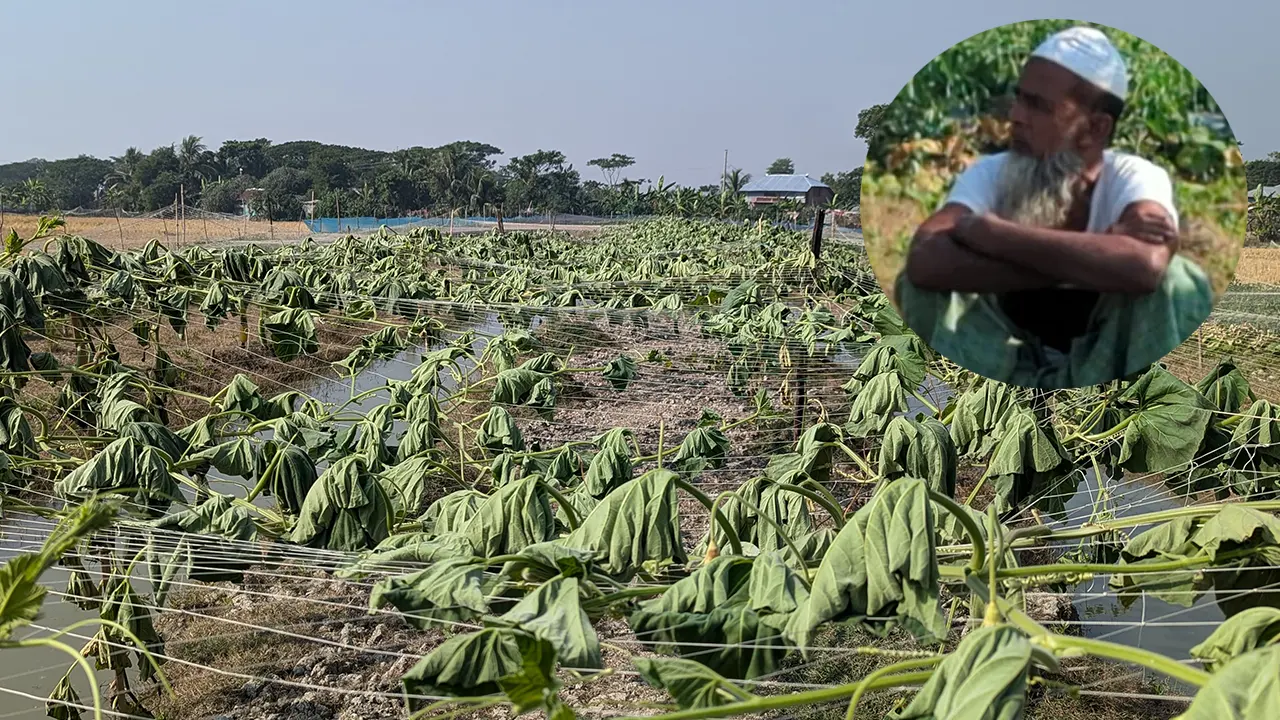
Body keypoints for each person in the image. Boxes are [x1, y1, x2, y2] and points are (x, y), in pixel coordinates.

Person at [894, 25, 1214, 388]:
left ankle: (1105, 399)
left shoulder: (1133, 176)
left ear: (1094, 128)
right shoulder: (991, 173)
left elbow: (1146, 264)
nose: (1015, 115)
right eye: (1019, 99)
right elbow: (924, 257)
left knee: (1180, 280)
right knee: (917, 285)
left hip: (1099, 358)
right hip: (1002, 355)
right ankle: (986, 393)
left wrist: (994, 234)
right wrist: (1092, 260)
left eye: (1039, 106)